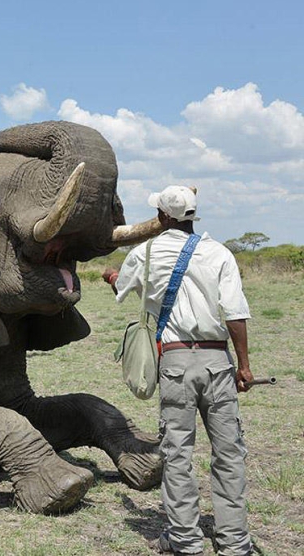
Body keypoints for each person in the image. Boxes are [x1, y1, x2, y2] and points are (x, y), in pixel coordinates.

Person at [103, 186, 254, 556]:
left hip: (175, 364)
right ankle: (235, 542)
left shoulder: (146, 253)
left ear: (162, 217)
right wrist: (244, 366)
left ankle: (185, 540)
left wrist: (111, 276)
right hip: (217, 362)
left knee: (177, 454)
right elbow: (235, 313)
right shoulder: (219, 252)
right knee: (229, 453)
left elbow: (122, 287)